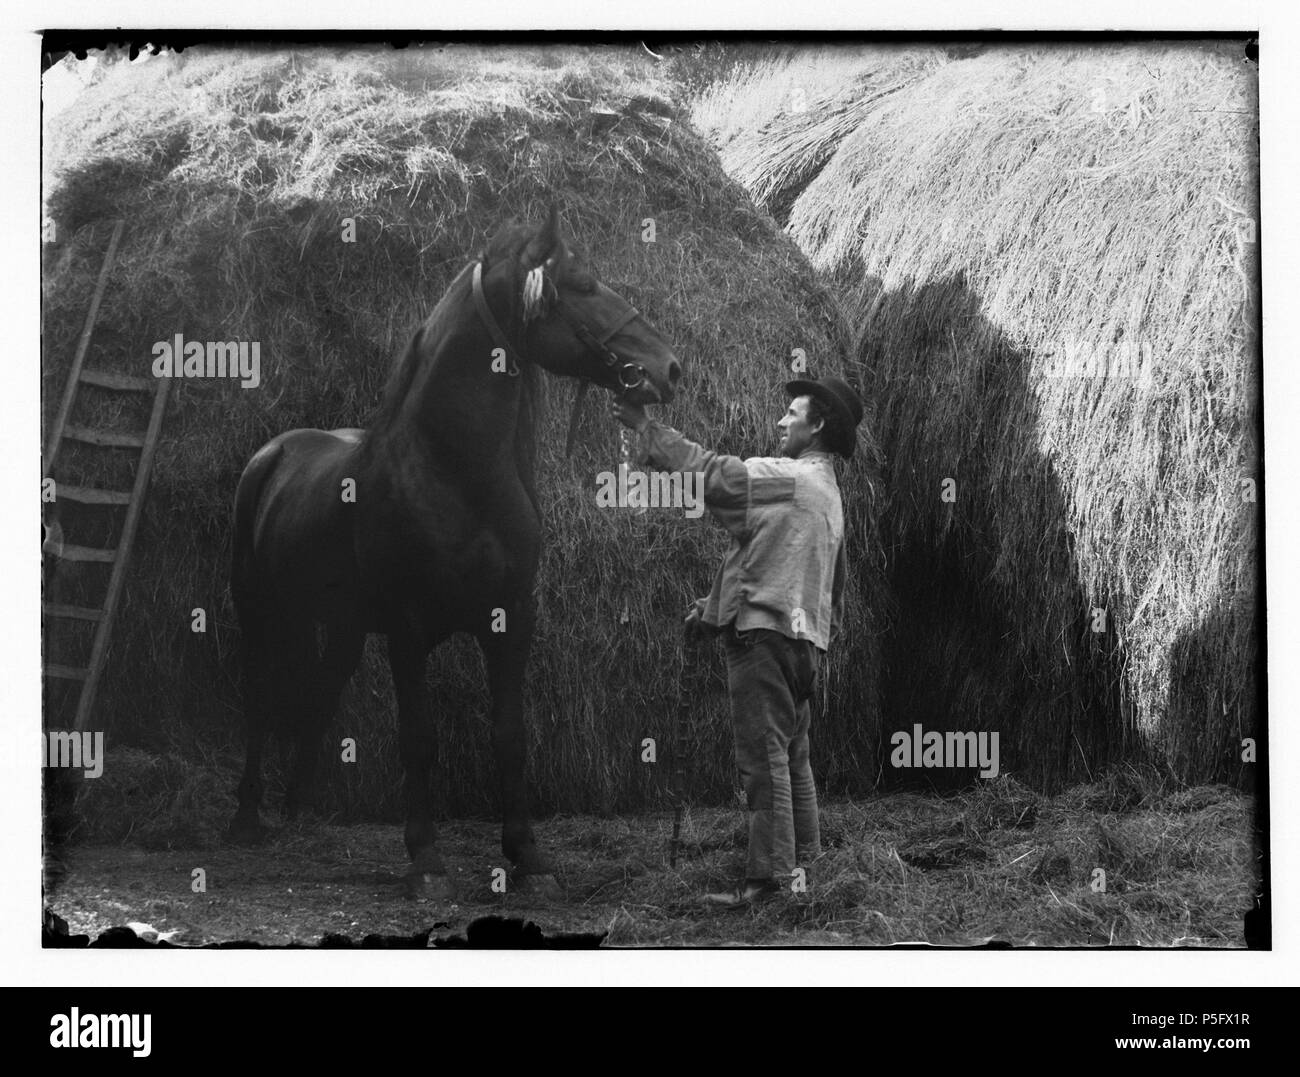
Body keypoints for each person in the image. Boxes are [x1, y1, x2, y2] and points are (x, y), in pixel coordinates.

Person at [614, 375, 864, 909]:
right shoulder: (830, 498)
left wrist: (646, 429)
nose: (780, 421)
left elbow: (714, 475)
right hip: (803, 646)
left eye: (791, 413)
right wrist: (710, 614)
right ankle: (806, 866)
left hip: (764, 644)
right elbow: (789, 569)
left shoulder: (788, 480)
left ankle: (769, 884)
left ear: (817, 425)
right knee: (793, 758)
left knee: (762, 761)